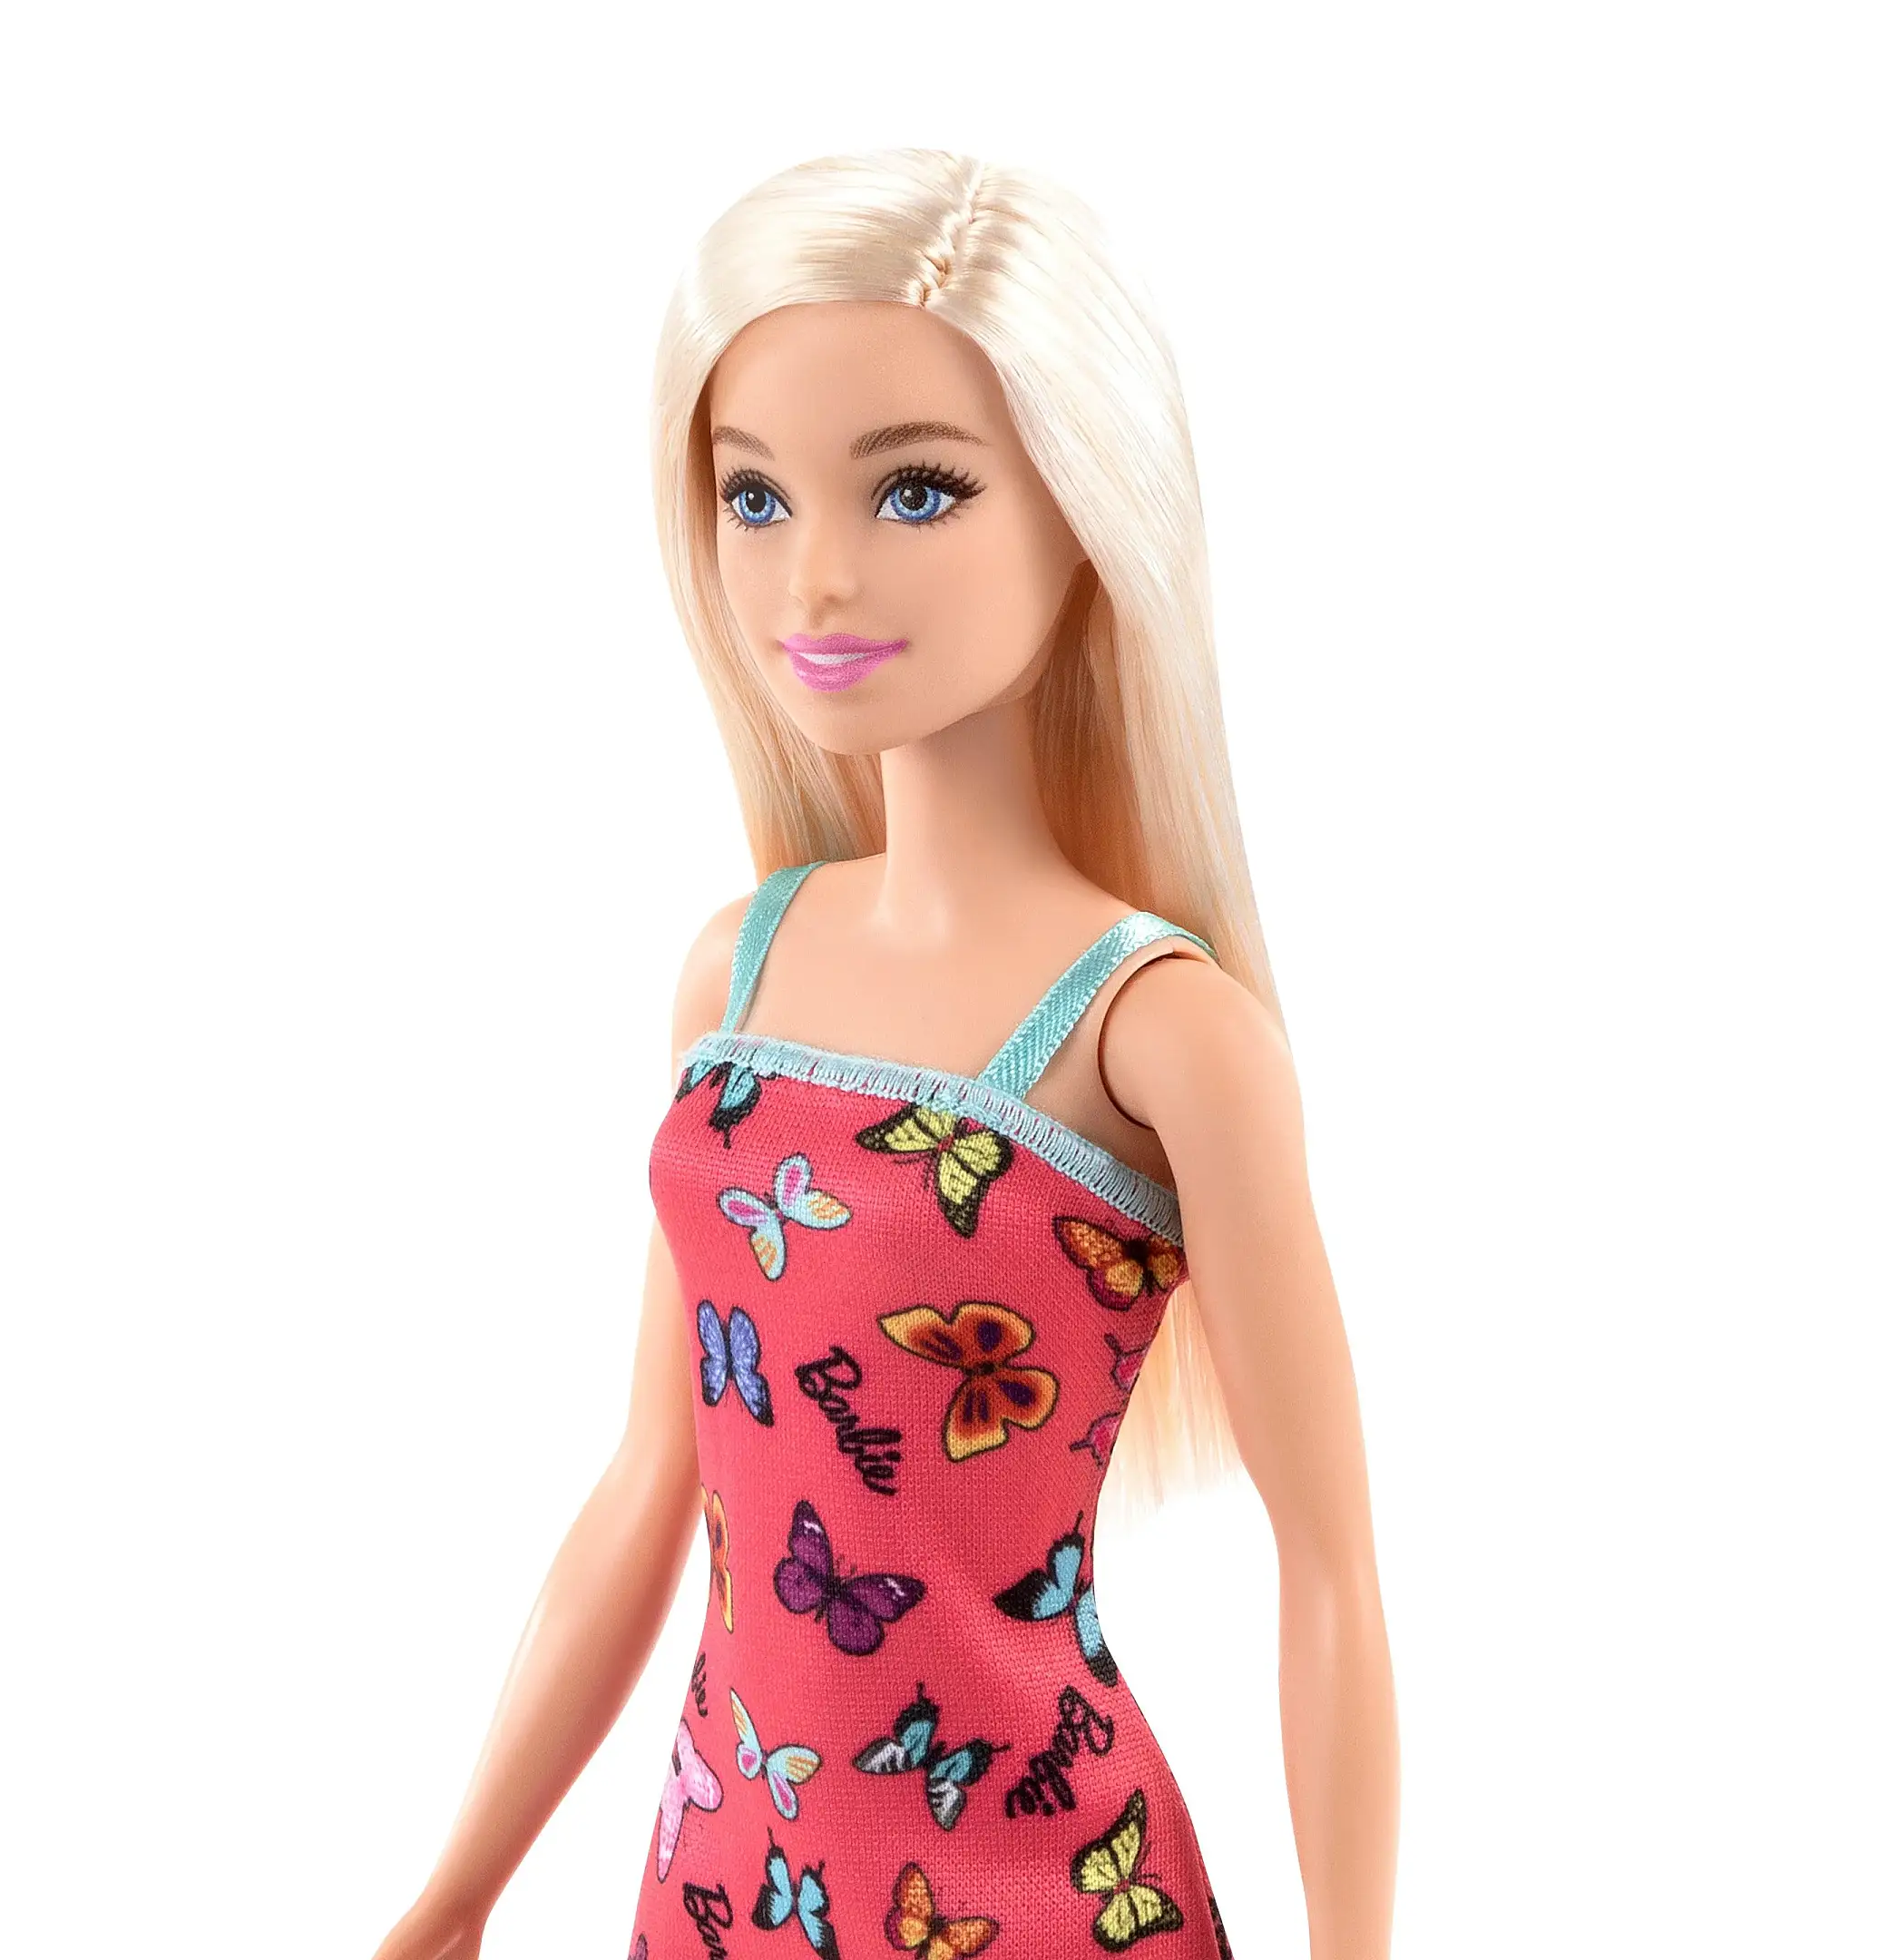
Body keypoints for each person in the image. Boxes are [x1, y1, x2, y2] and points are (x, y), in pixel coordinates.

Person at [372, 148, 1397, 1960]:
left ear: (1084, 508)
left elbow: (1328, 1572)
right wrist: (455, 1892)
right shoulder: (739, 972)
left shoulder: (1159, 1031)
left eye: (917, 490)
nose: (818, 578)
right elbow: (650, 1484)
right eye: (754, 498)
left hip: (1037, 1888)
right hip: (729, 1875)